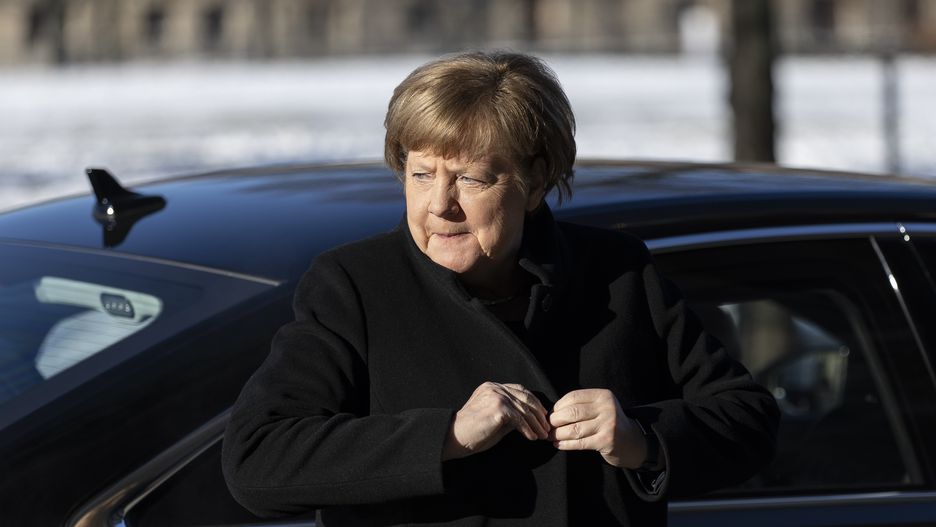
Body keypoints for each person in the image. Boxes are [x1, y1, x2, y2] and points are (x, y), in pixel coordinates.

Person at [222, 50, 779, 526]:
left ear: (533, 182)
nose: (440, 204)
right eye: (420, 174)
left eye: (470, 178)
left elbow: (747, 421)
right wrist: (447, 435)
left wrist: (639, 437)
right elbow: (258, 461)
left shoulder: (618, 273)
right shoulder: (356, 285)